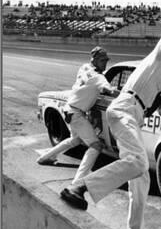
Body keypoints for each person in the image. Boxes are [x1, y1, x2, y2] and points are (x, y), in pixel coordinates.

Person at [59, 18, 161, 229]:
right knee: (139, 163)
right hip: (125, 108)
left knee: (141, 178)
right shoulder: (158, 60)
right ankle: (79, 187)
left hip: (132, 116)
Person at [36, 46, 117, 184]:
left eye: (106, 60)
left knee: (75, 140)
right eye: (103, 60)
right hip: (76, 113)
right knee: (96, 146)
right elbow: (108, 90)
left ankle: (45, 158)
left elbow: (92, 83)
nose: (105, 63)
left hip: (70, 109)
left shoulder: (84, 67)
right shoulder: (98, 77)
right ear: (95, 60)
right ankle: (78, 181)